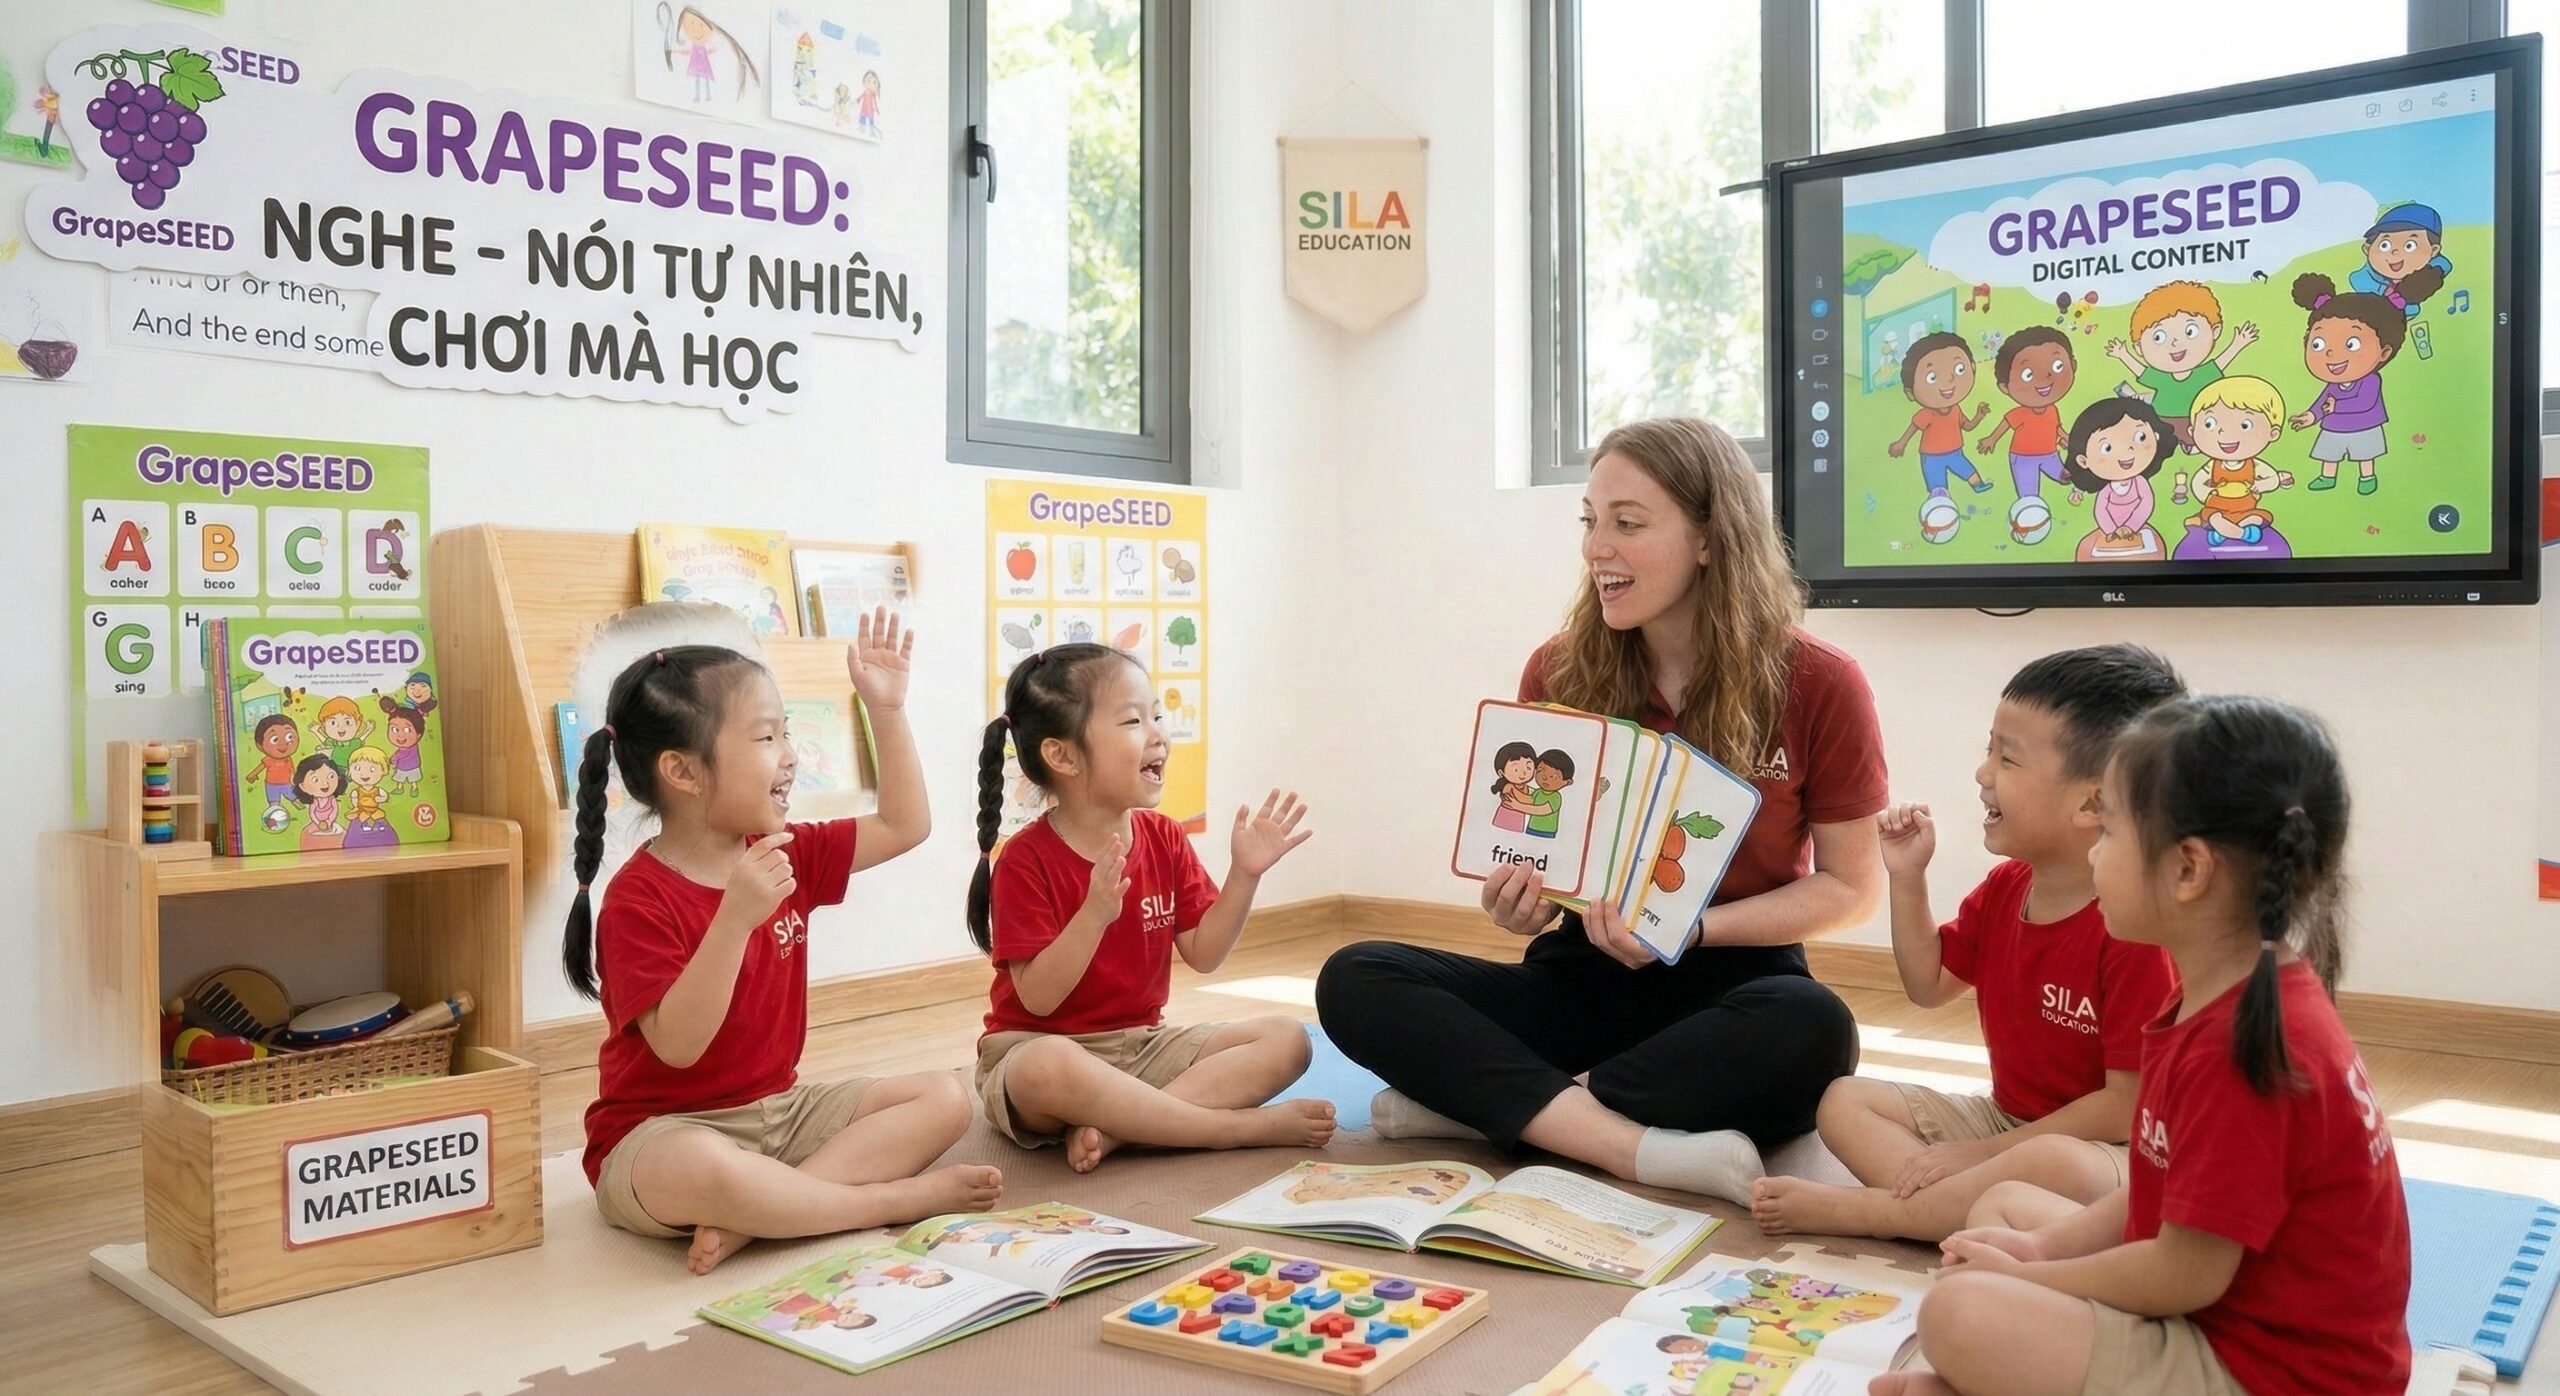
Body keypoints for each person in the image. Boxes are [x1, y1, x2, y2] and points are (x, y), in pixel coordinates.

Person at [1318, 417, 1886, 1204]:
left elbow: (1851, 888)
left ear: (1709, 538)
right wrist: (1519, 903)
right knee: (1356, 976)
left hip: (1735, 985)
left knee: (1817, 1028)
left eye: (1627, 524)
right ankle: (1626, 1144)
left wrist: (1690, 929)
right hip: (1580, 976)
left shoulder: (1820, 680)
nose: (1596, 548)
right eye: (1590, 521)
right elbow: (1541, 862)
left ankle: (1500, 1108)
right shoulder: (1557, 669)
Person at [1875, 696, 2411, 1396]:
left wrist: (2037, 1275)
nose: (2094, 854)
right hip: (2224, 1315)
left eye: (2109, 832)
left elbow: (2183, 1273)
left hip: (2274, 1373)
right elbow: (2154, 1197)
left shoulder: (2244, 1049)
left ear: (2188, 870)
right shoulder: (2213, 994)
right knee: (2004, 1213)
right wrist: (2037, 1248)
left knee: (1958, 1313)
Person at [568, 613, 1001, 1275]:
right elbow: (679, 1046)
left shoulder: (785, 851)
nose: (791, 755)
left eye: (787, 731)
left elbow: (904, 823)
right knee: (701, 1167)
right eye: (767, 736)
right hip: (663, 1132)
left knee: (944, 1098)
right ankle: (881, 1202)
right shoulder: (637, 899)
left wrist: (886, 709)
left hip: (780, 1115)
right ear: (683, 771)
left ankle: (766, 1212)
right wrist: (733, 920)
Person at [1751, 646, 2181, 1242]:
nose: (1983, 774)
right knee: (1844, 1103)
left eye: (2008, 759)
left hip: (2110, 1150)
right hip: (2005, 1120)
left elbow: (2123, 1106)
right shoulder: (2008, 887)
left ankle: (1884, 1214)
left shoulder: (2138, 931)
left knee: (2051, 1163)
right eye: (1989, 750)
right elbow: (1927, 986)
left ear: (2091, 802)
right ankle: (1966, 1213)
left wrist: (1982, 1155)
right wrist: (1907, 879)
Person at [967, 642, 1336, 1174]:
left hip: (1143, 1048)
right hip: (1041, 1047)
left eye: (1157, 716)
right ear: (1063, 756)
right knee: (1045, 1067)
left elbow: (1204, 954)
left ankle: (1120, 1131)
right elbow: (1040, 1000)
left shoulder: (1164, 835)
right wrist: (1093, 915)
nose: (1159, 734)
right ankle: (1231, 1130)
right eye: (1133, 721)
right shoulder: (1024, 860)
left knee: (1288, 1039)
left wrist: (1244, 875)